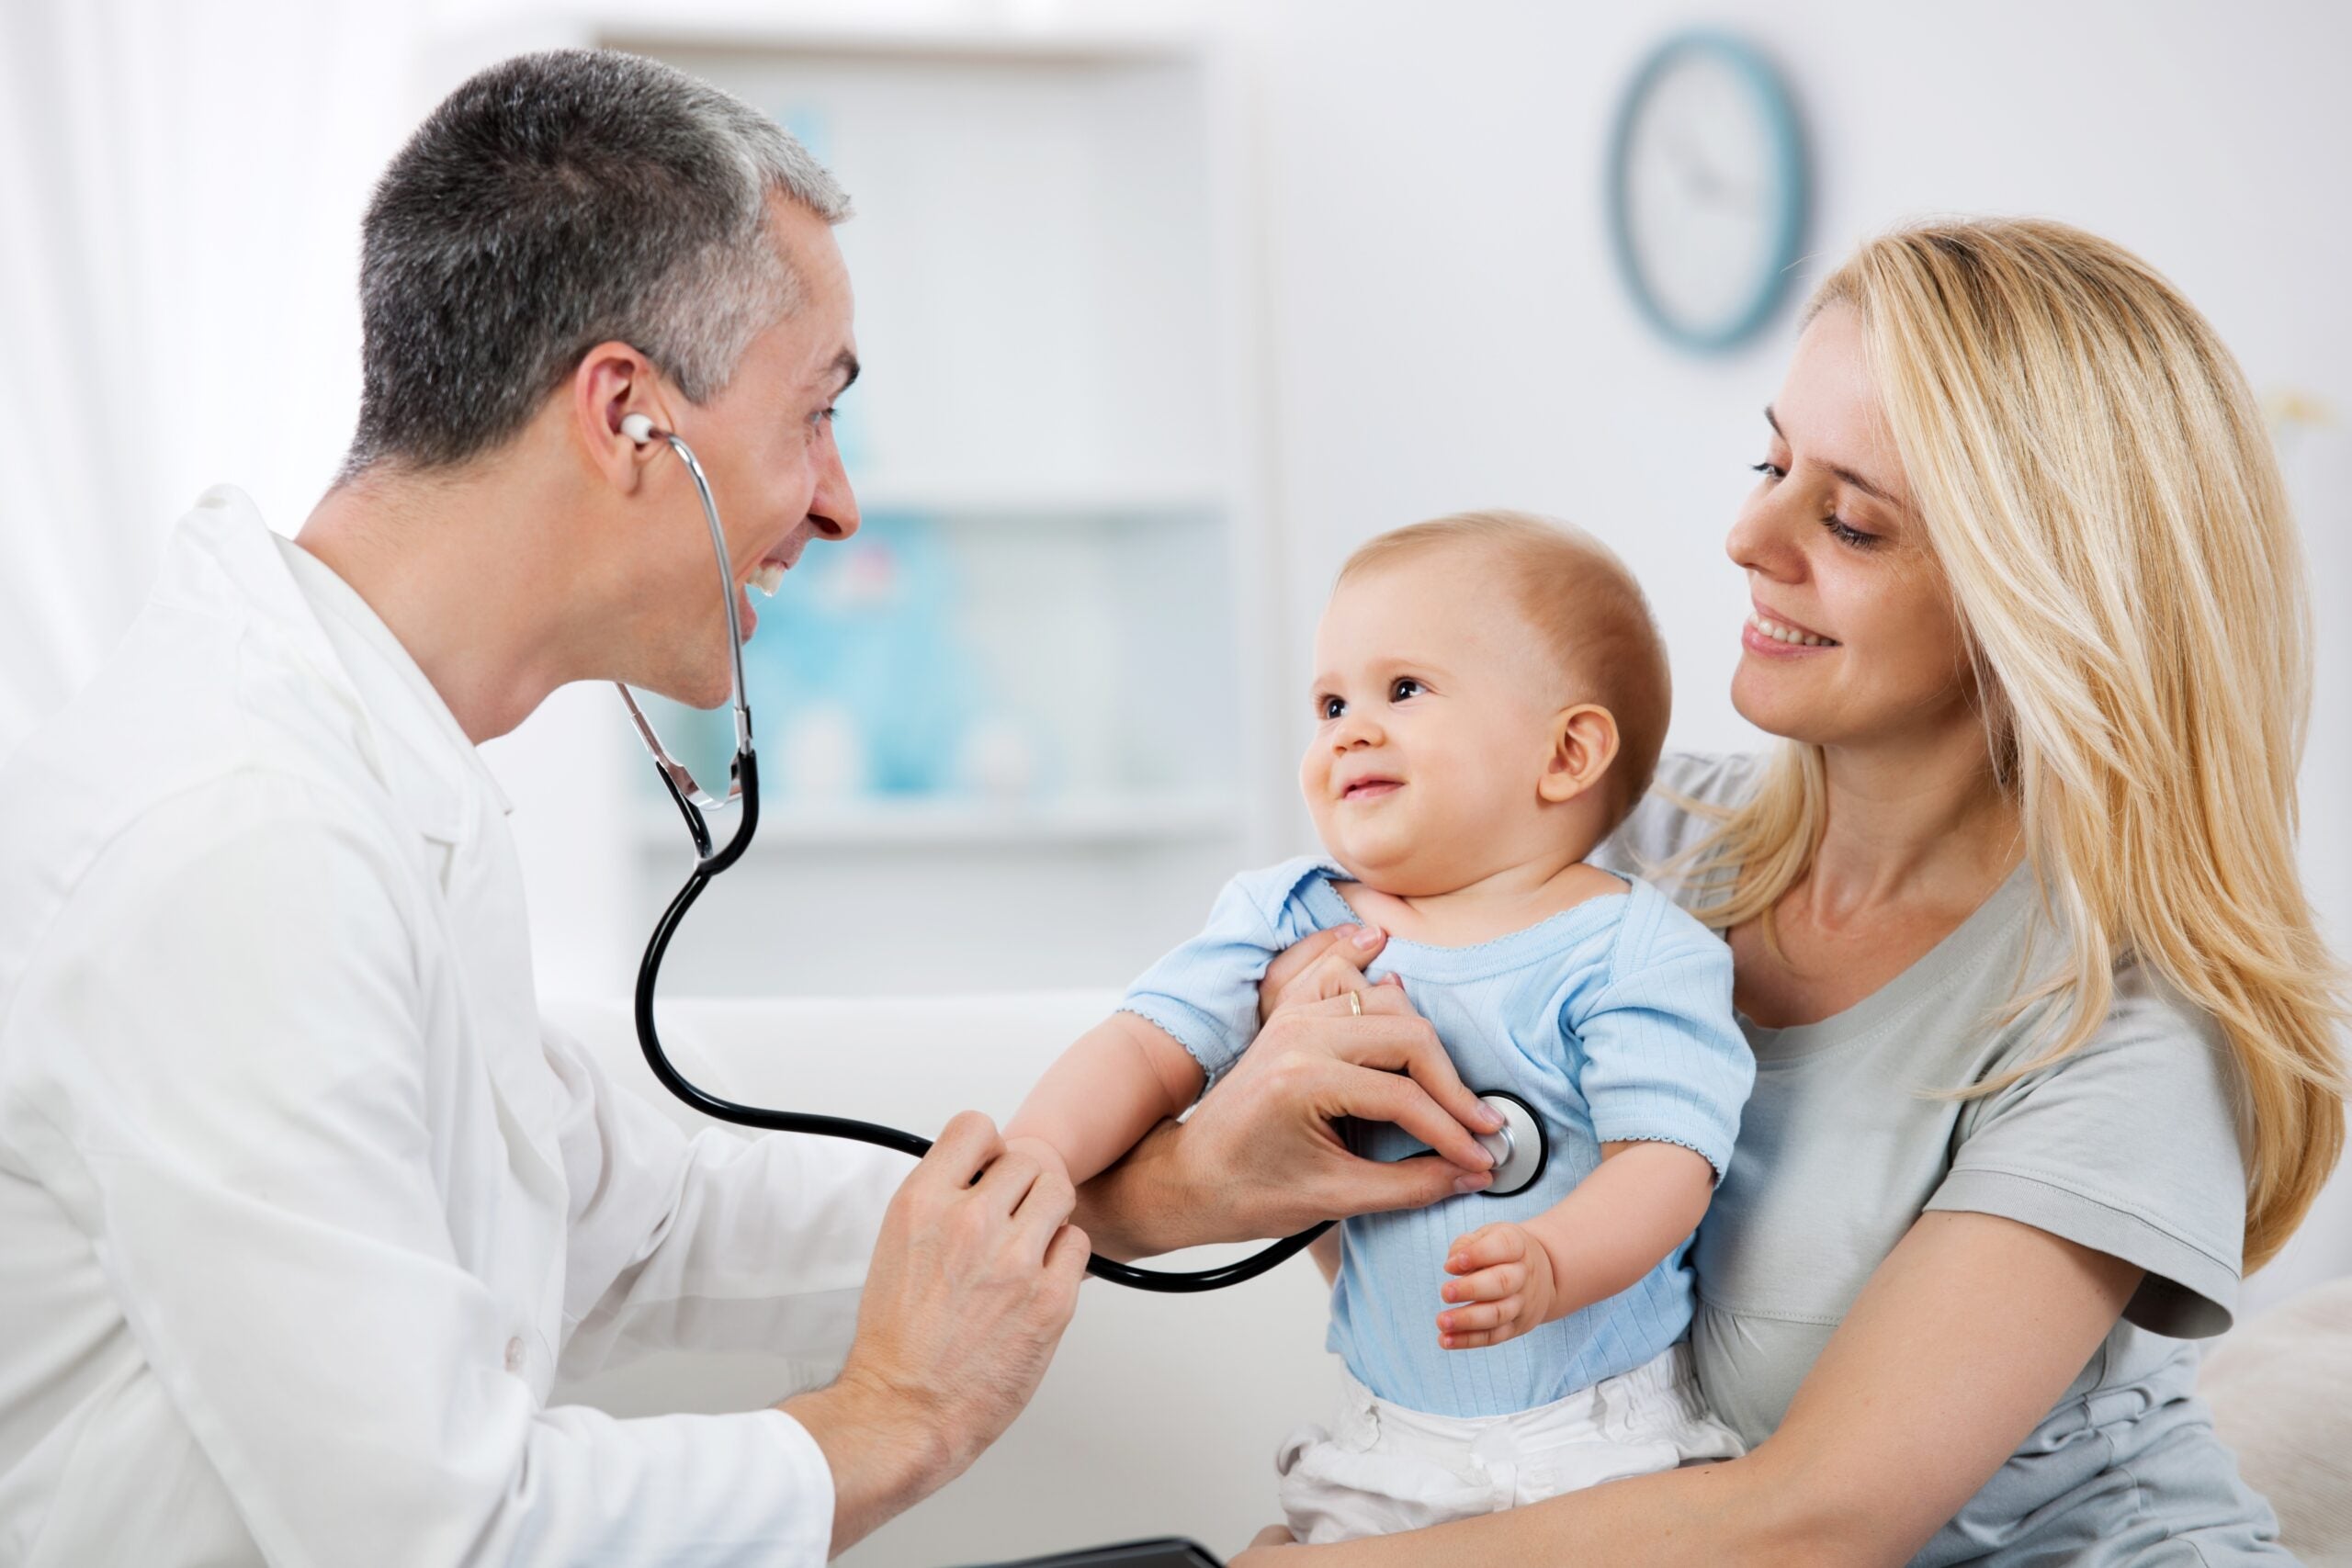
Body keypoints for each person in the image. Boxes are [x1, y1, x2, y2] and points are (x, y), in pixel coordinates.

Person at [0, 49, 1142, 1565]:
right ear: (626, 415)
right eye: (816, 413)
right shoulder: (244, 841)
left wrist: (1149, 1185)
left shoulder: (357, 755)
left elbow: (638, 1218)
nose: (840, 499)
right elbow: (444, 1537)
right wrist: (892, 1420)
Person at [1072, 219, 2348, 1565]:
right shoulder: (1620, 840)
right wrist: (1241, 1134)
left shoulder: (2124, 1023)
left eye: (1850, 518)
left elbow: (1815, 1519)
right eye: (1771, 461)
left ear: (2042, 598)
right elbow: (1129, 1200)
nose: (1747, 533)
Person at [1008, 512, 1750, 1541]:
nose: (1349, 729)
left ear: (1567, 751)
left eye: (1404, 690)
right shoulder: (1291, 914)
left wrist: (1554, 1262)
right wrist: (1034, 1159)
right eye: (1328, 703)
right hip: (1386, 1449)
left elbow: (1666, 1162)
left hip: (1602, 1440)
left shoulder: (1631, 949)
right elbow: (1145, 1044)